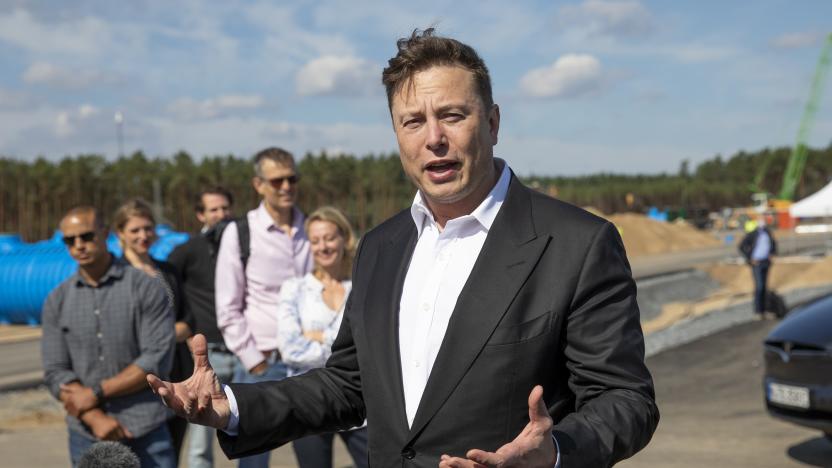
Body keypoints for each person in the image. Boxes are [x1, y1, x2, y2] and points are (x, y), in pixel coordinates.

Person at [149, 29, 659, 468]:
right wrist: (233, 406)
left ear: (493, 122)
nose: (434, 138)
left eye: (453, 115)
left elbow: (625, 398)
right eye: (413, 121)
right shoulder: (380, 246)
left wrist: (555, 454)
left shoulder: (577, 243)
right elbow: (348, 384)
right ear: (397, 134)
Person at [42, 206, 176, 467]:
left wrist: (95, 392)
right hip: (87, 432)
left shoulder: (145, 288)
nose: (79, 245)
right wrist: (93, 416)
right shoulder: (56, 300)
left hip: (146, 428)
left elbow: (156, 358)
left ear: (105, 233)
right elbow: (55, 371)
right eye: (70, 240)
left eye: (87, 236)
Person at [214, 147, 314, 467]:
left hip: (311, 363)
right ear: (258, 185)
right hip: (263, 363)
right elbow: (228, 307)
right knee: (255, 460)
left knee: (315, 455)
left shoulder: (312, 228)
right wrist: (253, 360)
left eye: (292, 178)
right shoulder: (240, 232)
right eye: (277, 181)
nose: (286, 187)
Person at [275, 206, 368, 468]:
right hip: (309, 401)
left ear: (344, 238)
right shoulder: (294, 289)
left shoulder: (362, 286)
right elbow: (290, 349)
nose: (323, 246)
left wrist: (317, 336)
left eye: (329, 238)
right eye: (315, 240)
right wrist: (344, 346)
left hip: (359, 401)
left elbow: (369, 348)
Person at [113, 198, 194, 466]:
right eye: (135, 230)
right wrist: (165, 336)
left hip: (176, 376)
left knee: (172, 452)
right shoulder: (116, 274)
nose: (143, 236)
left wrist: (160, 337)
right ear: (120, 234)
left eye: (148, 228)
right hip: (135, 379)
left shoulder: (168, 271)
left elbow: (188, 320)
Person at [167, 187, 235, 468]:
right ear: (200, 215)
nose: (220, 214)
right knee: (200, 439)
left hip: (246, 353)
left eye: (224, 208)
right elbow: (167, 286)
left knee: (253, 430)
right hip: (209, 354)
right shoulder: (187, 251)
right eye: (213, 209)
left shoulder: (243, 245)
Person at [739, 216, 778, 318]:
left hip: (766, 262)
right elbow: (742, 246)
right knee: (759, 287)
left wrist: (772, 253)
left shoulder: (767, 233)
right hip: (757, 263)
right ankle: (758, 311)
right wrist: (750, 258)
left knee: (765, 287)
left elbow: (773, 244)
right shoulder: (753, 234)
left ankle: (766, 310)